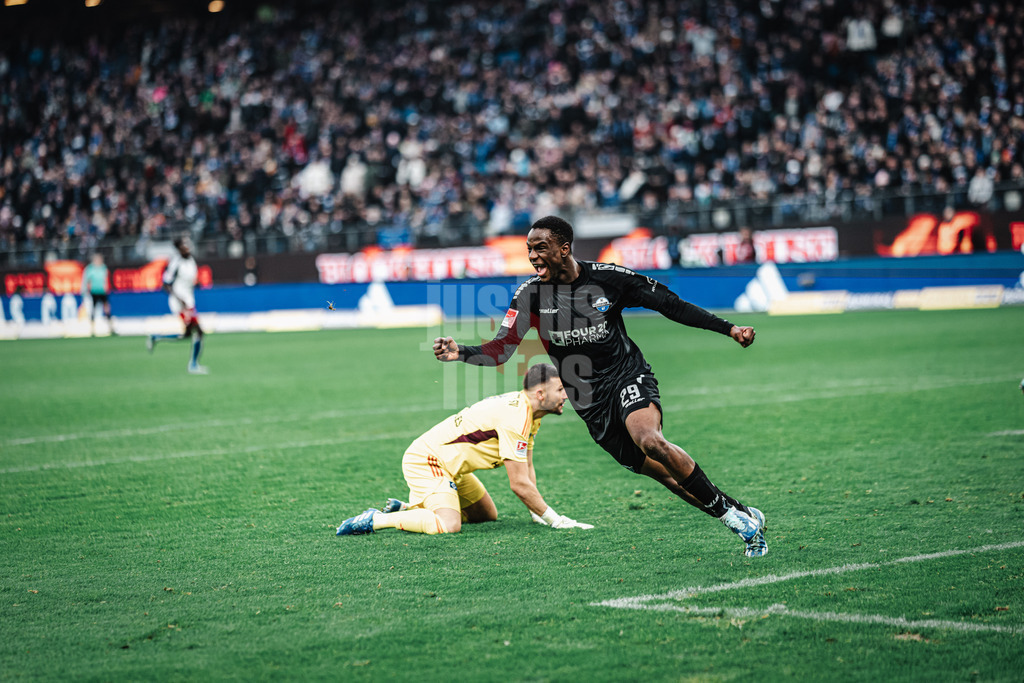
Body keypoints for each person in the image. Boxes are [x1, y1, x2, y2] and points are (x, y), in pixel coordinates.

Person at [433, 216, 767, 556]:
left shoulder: (610, 279)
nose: (533, 256)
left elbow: (670, 304)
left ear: (564, 250)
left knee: (650, 439)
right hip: (590, 403)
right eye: (529, 250)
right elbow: (501, 350)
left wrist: (729, 329)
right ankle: (739, 510)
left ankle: (731, 519)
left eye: (541, 248)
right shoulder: (530, 296)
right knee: (665, 475)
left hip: (626, 375)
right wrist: (462, 352)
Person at [336, 363, 592, 536]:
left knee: (485, 515)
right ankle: (376, 520)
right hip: (428, 460)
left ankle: (406, 509)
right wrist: (555, 520)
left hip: (452, 468)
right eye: (560, 390)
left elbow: (526, 470)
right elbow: (518, 484)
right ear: (539, 394)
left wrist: (537, 514)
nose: (566, 396)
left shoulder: (529, 414)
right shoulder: (516, 417)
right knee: (449, 525)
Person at [147, 236, 208, 374]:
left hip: (189, 301)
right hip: (179, 303)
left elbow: (190, 281)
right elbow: (166, 285)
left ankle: (156, 337)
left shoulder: (191, 260)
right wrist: (180, 300)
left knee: (187, 335)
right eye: (184, 245)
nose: (188, 247)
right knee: (198, 331)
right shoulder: (176, 262)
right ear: (179, 248)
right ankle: (193, 365)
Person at [80, 253, 114, 335]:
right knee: (93, 310)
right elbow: (85, 281)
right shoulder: (90, 269)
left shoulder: (103, 268)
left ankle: (111, 328)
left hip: (102, 292)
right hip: (94, 292)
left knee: (107, 309)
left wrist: (107, 288)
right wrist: (83, 292)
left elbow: (105, 280)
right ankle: (92, 329)